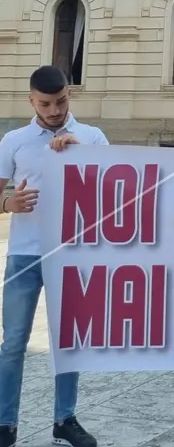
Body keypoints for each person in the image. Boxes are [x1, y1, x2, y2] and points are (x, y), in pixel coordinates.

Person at [0, 65, 109, 447]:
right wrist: (8, 201)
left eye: (60, 101)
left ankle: (65, 419)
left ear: (69, 96)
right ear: (31, 101)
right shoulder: (13, 140)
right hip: (24, 255)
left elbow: (116, 192)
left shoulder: (92, 136)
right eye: (44, 103)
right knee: (13, 342)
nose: (53, 110)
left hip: (72, 255)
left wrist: (83, 156)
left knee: (69, 343)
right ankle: (4, 424)